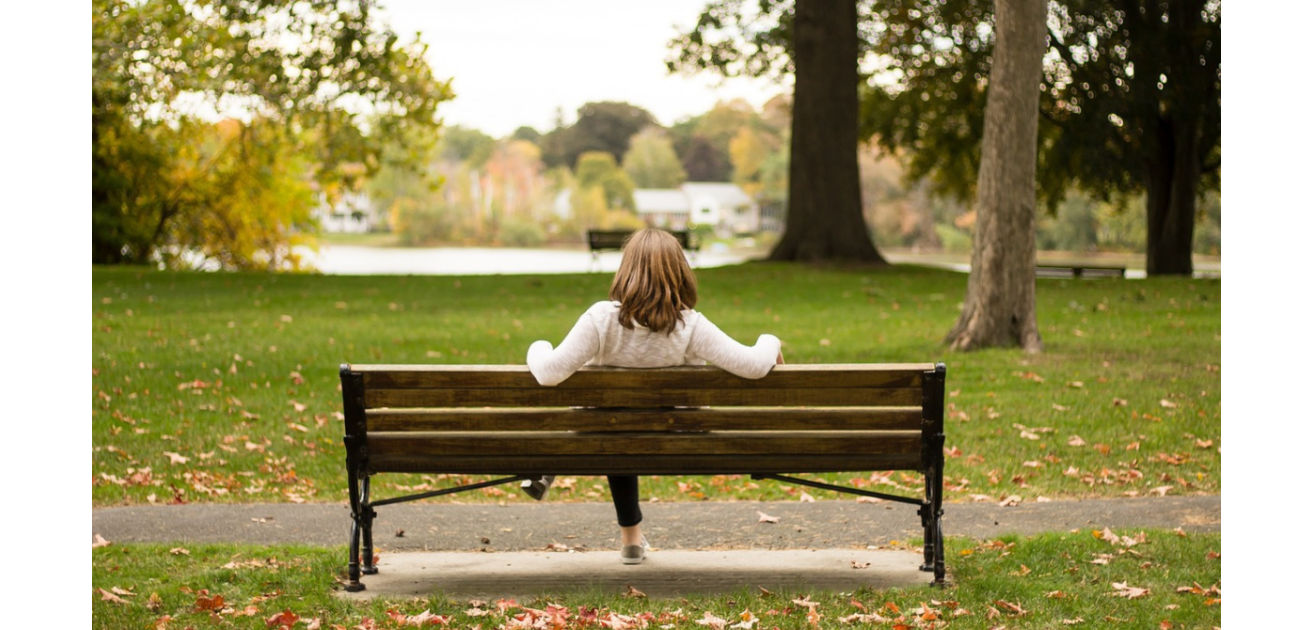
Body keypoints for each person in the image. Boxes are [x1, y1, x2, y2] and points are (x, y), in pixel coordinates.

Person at [524, 228, 784, 564]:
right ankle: (631, 540)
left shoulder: (600, 319)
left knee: (613, 422)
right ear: (680, 273)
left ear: (626, 270)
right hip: (675, 436)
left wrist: (539, 346)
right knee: (621, 422)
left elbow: (548, 372)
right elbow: (753, 365)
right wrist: (771, 340)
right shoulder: (689, 326)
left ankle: (559, 474)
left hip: (605, 435)